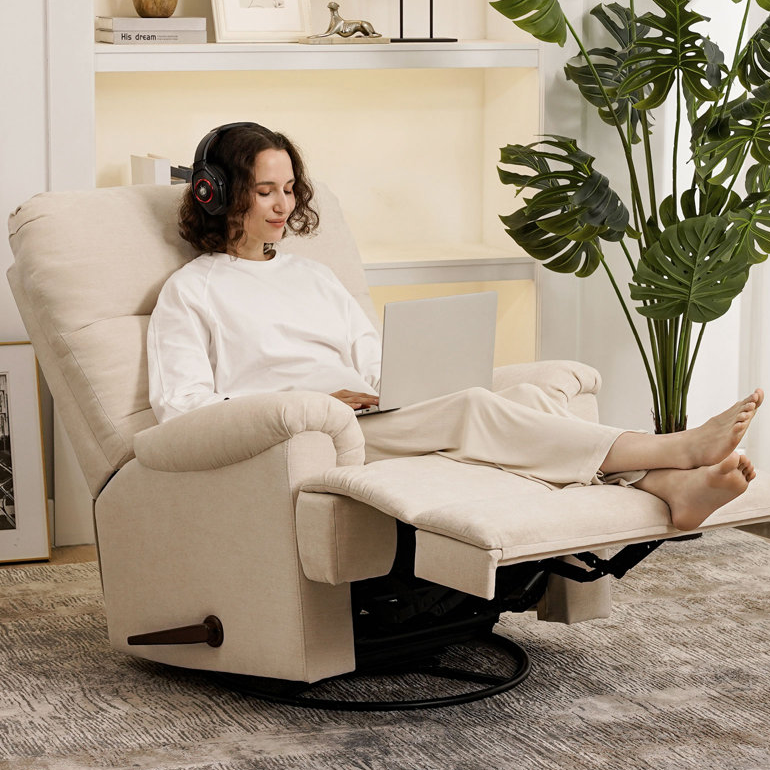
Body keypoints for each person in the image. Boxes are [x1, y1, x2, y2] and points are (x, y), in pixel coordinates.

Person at [147, 122, 763, 532]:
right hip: (312, 436)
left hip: (372, 415)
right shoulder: (192, 291)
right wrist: (310, 403)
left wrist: (395, 386)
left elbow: (373, 357)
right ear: (215, 194)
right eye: (265, 192)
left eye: (288, 189)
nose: (284, 205)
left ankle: (664, 487)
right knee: (474, 406)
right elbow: (182, 409)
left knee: (528, 397)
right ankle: (671, 449)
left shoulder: (312, 276)